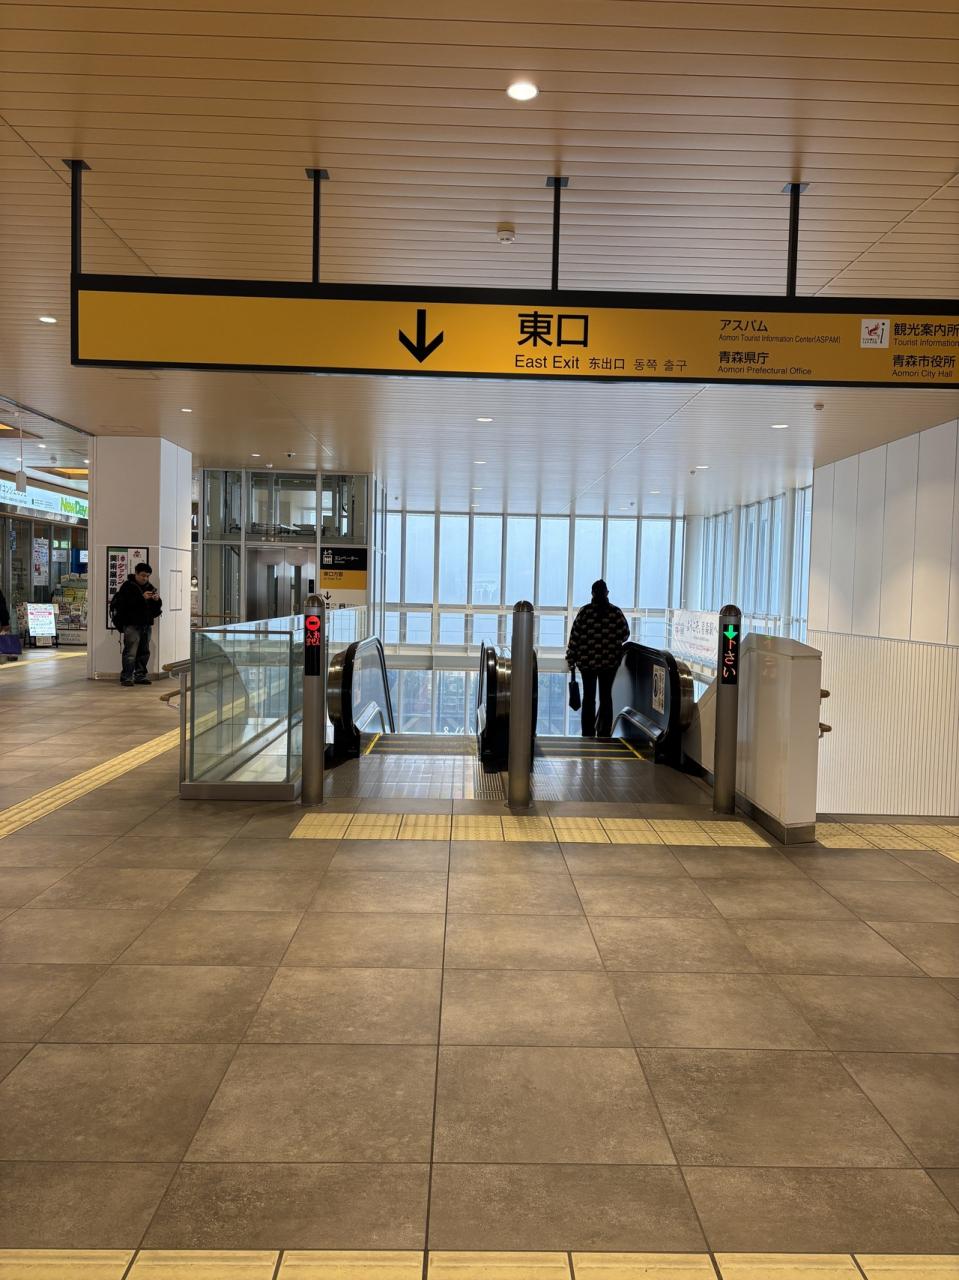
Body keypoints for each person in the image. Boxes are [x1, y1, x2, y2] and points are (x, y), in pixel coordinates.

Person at [566, 578, 629, 737]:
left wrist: (571, 658)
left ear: (592, 593)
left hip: (587, 663)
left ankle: (587, 733)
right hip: (609, 663)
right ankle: (604, 732)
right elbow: (625, 634)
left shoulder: (585, 612)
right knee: (606, 698)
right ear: (607, 593)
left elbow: (575, 637)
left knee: (589, 698)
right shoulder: (615, 613)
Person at [112, 562, 162, 686]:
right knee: (130, 652)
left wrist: (157, 600)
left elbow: (156, 608)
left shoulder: (150, 587)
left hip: (146, 624)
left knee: (144, 652)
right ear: (136, 573)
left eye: (147, 576)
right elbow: (124, 605)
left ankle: (140, 675)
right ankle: (127, 677)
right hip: (131, 624)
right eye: (143, 575)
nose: (145, 578)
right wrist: (142, 598)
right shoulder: (127, 586)